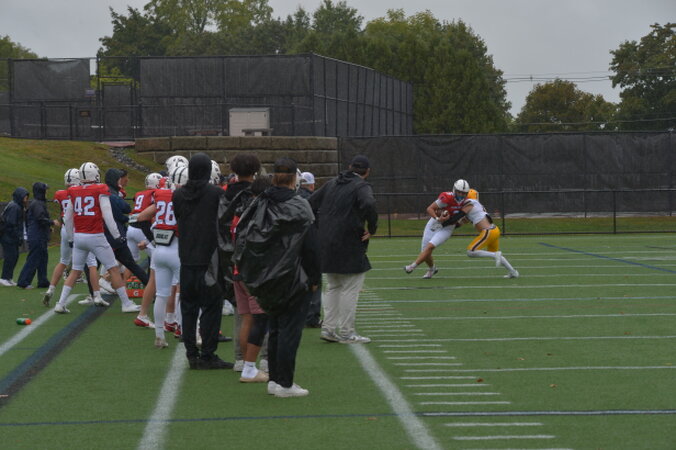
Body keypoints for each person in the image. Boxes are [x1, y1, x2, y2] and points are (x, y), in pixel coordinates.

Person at [234, 157, 319, 397]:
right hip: (293, 276)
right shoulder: (300, 205)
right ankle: (285, 383)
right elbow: (311, 247)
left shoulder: (260, 202)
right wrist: (314, 279)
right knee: (289, 331)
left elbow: (243, 237)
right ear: (294, 178)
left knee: (275, 329)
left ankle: (275, 380)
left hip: (266, 278)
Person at [52, 162, 141, 314]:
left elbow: (68, 217)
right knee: (113, 268)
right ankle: (126, 304)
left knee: (75, 271)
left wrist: (71, 238)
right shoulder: (100, 189)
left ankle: (60, 304)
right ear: (95, 174)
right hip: (95, 236)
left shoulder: (74, 191)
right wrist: (117, 235)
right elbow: (107, 215)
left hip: (79, 236)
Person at [173, 153, 233, 370]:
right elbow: (224, 222)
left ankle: (191, 353)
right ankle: (208, 353)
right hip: (210, 260)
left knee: (189, 309)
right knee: (211, 308)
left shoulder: (178, 195)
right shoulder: (216, 193)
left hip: (187, 258)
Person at [309, 155, 377, 344]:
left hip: (326, 241)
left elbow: (310, 202)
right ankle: (347, 332)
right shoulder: (361, 186)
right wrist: (372, 227)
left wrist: (320, 227)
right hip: (349, 241)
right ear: (367, 172)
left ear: (350, 167)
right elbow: (369, 203)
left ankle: (329, 329)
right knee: (350, 287)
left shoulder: (332, 183)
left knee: (333, 286)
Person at [219, 153, 262, 371]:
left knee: (241, 312)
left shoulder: (224, 194)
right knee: (261, 313)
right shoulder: (258, 195)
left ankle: (239, 358)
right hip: (252, 259)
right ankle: (262, 359)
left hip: (228, 255)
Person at [42, 169, 103, 307]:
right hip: (78, 229)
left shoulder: (60, 193)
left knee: (63, 261)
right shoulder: (78, 192)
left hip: (65, 229)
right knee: (91, 263)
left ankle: (51, 289)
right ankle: (96, 295)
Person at [442, 184, 519, 278]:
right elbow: (461, 222)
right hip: (494, 230)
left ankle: (496, 255)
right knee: (494, 254)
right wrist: (448, 227)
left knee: (471, 251)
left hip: (488, 231)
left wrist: (442, 224)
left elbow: (456, 218)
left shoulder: (470, 203)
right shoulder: (476, 207)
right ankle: (513, 272)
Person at [403, 179, 477, 279]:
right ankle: (432, 269)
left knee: (430, 247)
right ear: (454, 190)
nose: (461, 195)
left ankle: (412, 266)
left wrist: (457, 223)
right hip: (435, 223)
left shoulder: (467, 203)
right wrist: (438, 218)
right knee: (425, 251)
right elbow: (430, 209)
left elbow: (465, 219)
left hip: (447, 228)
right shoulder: (447, 197)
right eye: (459, 192)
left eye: (464, 193)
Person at [16, 182, 56, 289]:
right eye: (45, 190)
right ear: (41, 191)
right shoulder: (37, 204)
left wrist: (48, 227)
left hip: (38, 235)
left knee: (42, 258)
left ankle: (42, 281)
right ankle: (23, 281)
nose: (47, 192)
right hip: (37, 236)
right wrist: (52, 222)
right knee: (34, 259)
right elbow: (40, 218)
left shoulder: (37, 203)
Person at [297, 171, 322, 328]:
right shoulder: (312, 200)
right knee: (314, 280)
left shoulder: (293, 198)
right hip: (309, 243)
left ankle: (300, 315)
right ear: (311, 185)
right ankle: (312, 317)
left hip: (293, 248)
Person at [1, 187, 29, 286]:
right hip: (8, 236)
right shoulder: (15, 207)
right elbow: (11, 223)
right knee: (10, 257)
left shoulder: (17, 206)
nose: (26, 199)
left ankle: (9, 277)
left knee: (14, 256)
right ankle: (4, 277)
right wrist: (17, 236)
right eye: (25, 197)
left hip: (10, 236)